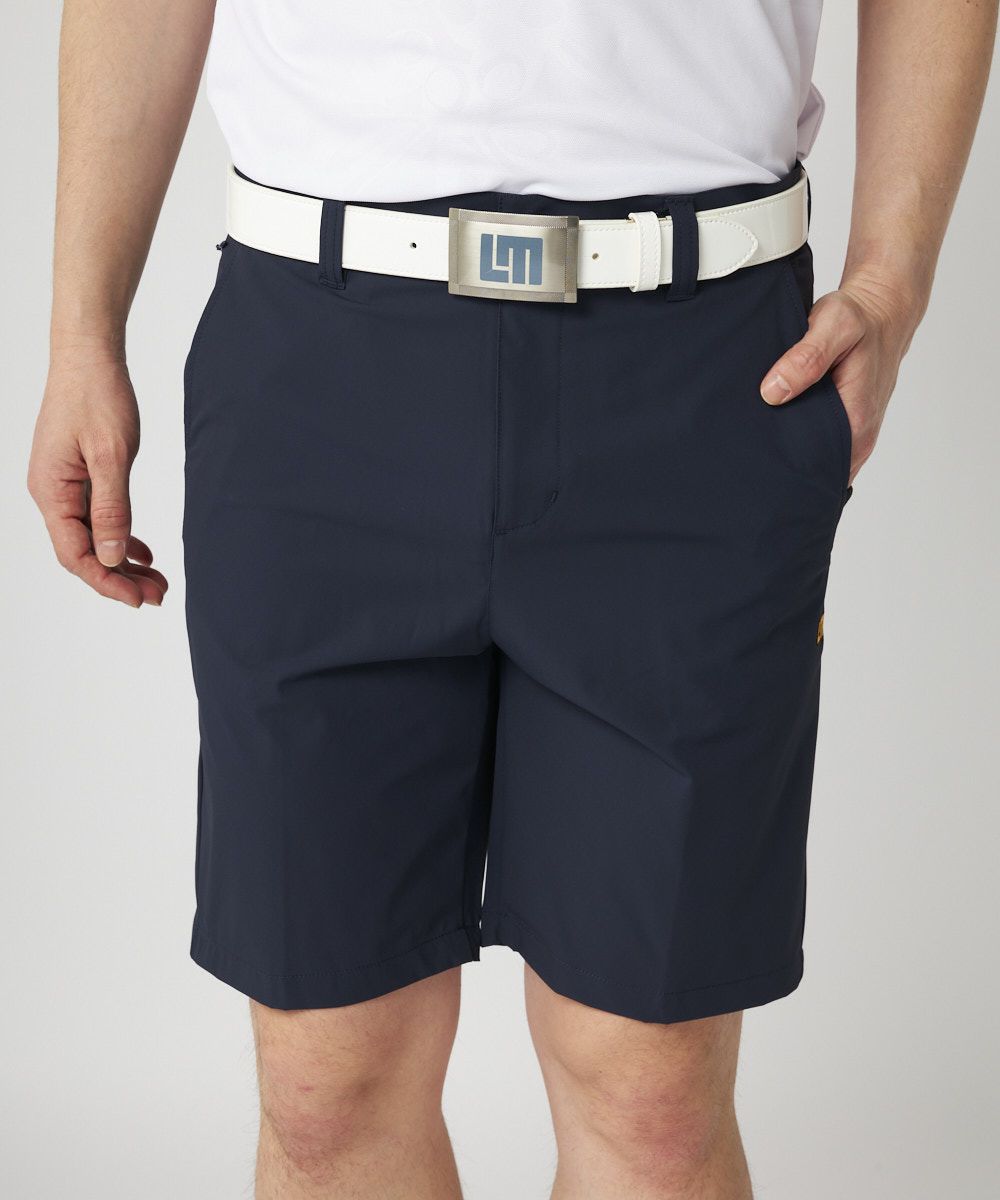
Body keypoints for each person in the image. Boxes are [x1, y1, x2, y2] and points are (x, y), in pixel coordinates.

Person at [27, 2, 997, 1197]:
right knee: (327, 1083)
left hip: (698, 366)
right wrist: (81, 330)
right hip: (320, 368)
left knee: (650, 1096)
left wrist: (892, 277)